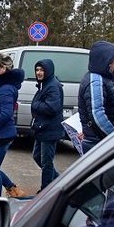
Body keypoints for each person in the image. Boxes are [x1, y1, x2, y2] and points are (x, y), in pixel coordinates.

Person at [0, 54, 27, 198]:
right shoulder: (0, 85)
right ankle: (12, 188)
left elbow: (6, 113)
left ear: (4, 68)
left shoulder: (6, 88)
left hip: (1, 134)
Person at [78, 40, 114, 153]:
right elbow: (97, 115)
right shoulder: (95, 81)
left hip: (98, 140)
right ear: (106, 59)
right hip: (97, 142)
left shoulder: (103, 78)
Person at [30, 59, 65, 191]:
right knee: (37, 156)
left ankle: (46, 189)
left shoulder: (52, 86)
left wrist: (35, 104)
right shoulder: (44, 84)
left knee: (46, 162)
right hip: (42, 128)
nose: (39, 73)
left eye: (42, 70)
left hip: (50, 129)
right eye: (37, 70)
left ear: (48, 71)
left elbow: (52, 108)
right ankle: (57, 180)